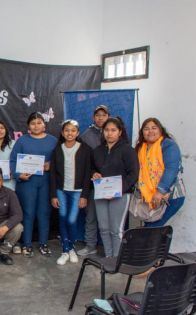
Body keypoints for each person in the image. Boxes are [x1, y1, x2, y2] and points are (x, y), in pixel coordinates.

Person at [10, 112, 57, 257]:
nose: (36, 126)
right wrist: (19, 175)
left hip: (46, 182)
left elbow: (60, 161)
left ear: (44, 124)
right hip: (27, 183)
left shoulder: (53, 141)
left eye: (39, 122)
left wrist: (51, 165)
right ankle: (27, 244)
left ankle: (43, 243)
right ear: (28, 126)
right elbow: (12, 161)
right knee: (28, 213)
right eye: (33, 123)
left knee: (44, 213)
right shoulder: (22, 141)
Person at [92, 117, 139, 257]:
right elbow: (92, 168)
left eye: (113, 130)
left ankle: (116, 259)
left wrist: (120, 189)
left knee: (116, 229)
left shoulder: (127, 150)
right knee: (103, 228)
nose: (109, 133)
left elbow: (134, 174)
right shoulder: (97, 151)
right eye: (106, 130)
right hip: (101, 194)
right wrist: (94, 174)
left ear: (120, 132)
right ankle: (108, 257)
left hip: (121, 195)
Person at [49, 120, 92, 265]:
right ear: (62, 133)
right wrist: (53, 195)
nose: (70, 133)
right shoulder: (57, 149)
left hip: (77, 191)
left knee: (72, 220)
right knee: (62, 218)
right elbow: (53, 174)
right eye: (67, 130)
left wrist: (84, 195)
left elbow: (87, 174)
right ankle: (65, 250)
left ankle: (72, 247)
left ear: (78, 133)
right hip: (61, 190)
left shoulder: (85, 149)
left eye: (73, 130)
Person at [135, 118, 186, 227]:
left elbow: (171, 169)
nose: (150, 131)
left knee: (152, 228)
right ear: (142, 132)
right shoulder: (141, 148)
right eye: (146, 129)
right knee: (153, 229)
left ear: (160, 130)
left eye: (154, 128)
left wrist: (160, 191)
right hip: (148, 197)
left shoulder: (168, 145)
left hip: (170, 196)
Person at [77, 105, 109, 256]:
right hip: (93, 184)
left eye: (103, 115)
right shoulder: (86, 135)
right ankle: (90, 245)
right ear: (93, 117)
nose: (100, 117)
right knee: (91, 216)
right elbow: (83, 161)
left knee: (110, 219)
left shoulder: (115, 132)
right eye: (97, 115)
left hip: (112, 184)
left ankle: (111, 250)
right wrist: (93, 173)